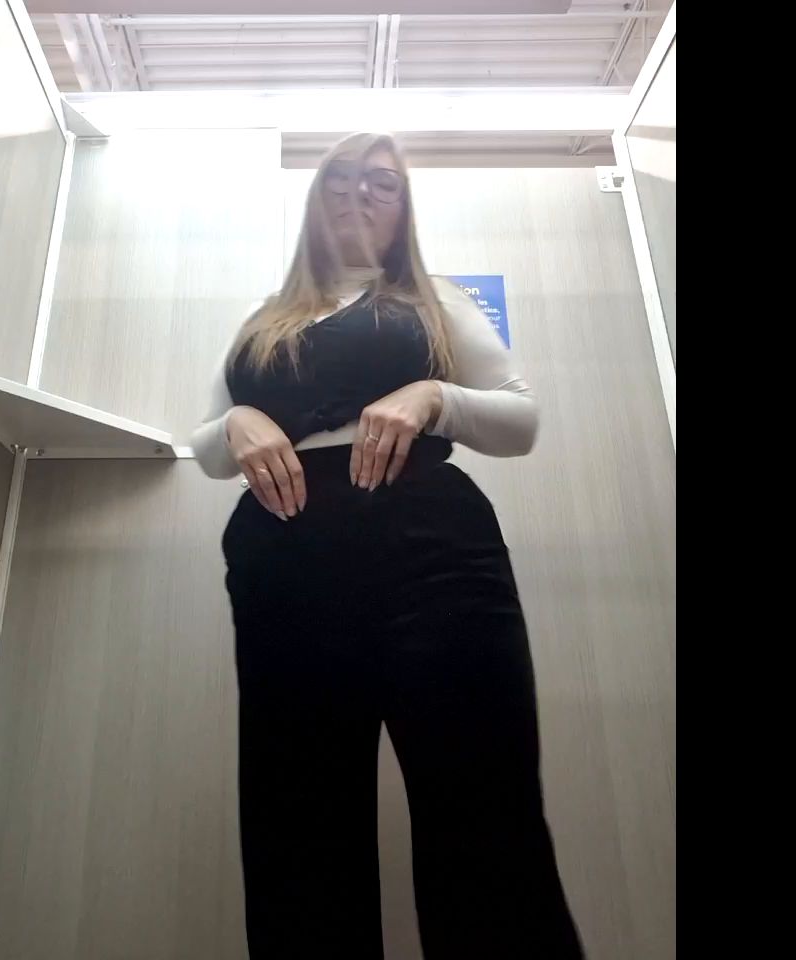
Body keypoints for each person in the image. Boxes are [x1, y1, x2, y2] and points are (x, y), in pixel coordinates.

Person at [191, 132, 584, 959]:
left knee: (483, 803)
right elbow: (204, 446)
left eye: (381, 182)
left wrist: (434, 396)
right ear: (316, 199)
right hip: (285, 568)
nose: (358, 193)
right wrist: (235, 422)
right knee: (296, 821)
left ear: (404, 208)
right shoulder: (264, 319)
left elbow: (521, 419)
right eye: (339, 178)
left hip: (434, 555)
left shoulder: (434, 302)